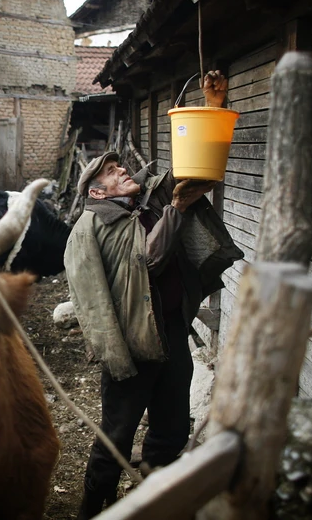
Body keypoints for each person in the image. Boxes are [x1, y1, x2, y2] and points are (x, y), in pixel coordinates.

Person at [65, 72, 241, 519]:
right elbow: (142, 264)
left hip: (172, 334)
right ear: (96, 191)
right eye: (111, 171)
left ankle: (158, 498)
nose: (123, 169)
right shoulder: (92, 228)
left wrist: (213, 106)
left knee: (173, 427)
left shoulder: (147, 205)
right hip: (133, 349)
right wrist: (178, 210)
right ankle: (92, 505)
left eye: (120, 164)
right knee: (116, 435)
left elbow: (190, 164)